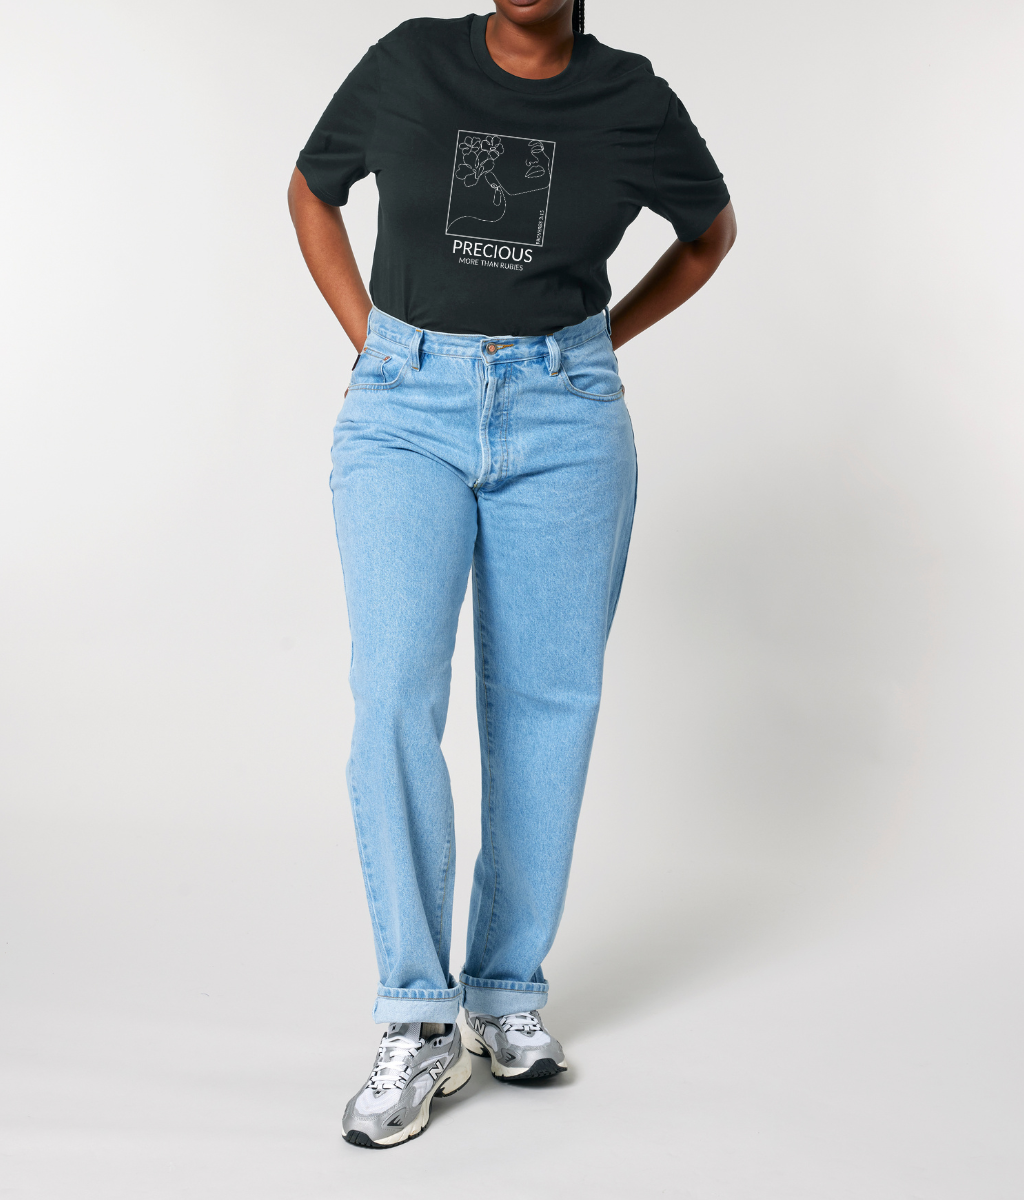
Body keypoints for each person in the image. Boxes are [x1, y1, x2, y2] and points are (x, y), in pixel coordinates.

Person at [288, 0, 736, 1149]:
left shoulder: (631, 96)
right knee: (394, 692)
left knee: (547, 705)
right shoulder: (408, 61)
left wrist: (594, 345)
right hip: (406, 410)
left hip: (564, 419)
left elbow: (708, 233)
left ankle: (502, 990)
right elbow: (311, 190)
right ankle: (414, 1014)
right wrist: (372, 342)